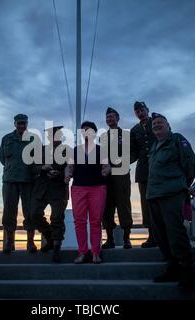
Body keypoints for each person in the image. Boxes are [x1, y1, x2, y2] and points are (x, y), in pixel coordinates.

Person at [146, 112, 195, 290]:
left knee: (174, 230)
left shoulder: (177, 139)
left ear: (168, 125)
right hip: (153, 195)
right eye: (154, 124)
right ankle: (172, 266)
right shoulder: (154, 146)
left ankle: (187, 270)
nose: (156, 125)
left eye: (160, 122)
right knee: (160, 233)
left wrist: (182, 183)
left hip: (172, 193)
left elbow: (191, 162)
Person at [65, 121, 111, 264]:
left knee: (96, 221)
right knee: (79, 221)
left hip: (97, 188)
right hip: (79, 188)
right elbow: (69, 167)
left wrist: (105, 171)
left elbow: (107, 166)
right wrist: (67, 175)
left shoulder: (101, 150)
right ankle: (82, 252)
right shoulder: (75, 150)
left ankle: (96, 252)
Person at [0, 114, 37, 253]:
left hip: (28, 180)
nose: (22, 126)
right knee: (9, 212)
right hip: (10, 180)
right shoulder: (6, 139)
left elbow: (37, 159)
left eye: (24, 123)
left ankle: (30, 242)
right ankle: (10, 242)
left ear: (27, 124)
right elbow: (2, 159)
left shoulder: (33, 139)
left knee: (30, 212)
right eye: (19, 123)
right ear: (15, 123)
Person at [31, 126, 68, 263]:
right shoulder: (40, 150)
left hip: (58, 189)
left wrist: (59, 174)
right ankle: (50, 238)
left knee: (57, 217)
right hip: (41, 189)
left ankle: (57, 248)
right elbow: (32, 168)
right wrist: (42, 168)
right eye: (51, 135)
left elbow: (72, 169)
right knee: (34, 214)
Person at [101, 107, 133, 250]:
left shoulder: (125, 135)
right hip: (107, 177)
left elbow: (133, 153)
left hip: (121, 176)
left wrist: (124, 161)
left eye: (112, 117)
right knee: (107, 208)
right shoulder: (103, 137)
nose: (110, 119)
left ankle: (127, 239)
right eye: (108, 117)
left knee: (123, 206)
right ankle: (110, 239)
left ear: (118, 119)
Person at [130, 101, 157, 248]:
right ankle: (152, 236)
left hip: (158, 169)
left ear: (147, 109)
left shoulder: (157, 122)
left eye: (142, 110)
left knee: (160, 202)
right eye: (137, 111)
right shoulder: (135, 129)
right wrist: (123, 162)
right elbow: (133, 152)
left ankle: (162, 235)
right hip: (143, 171)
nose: (140, 113)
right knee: (146, 204)